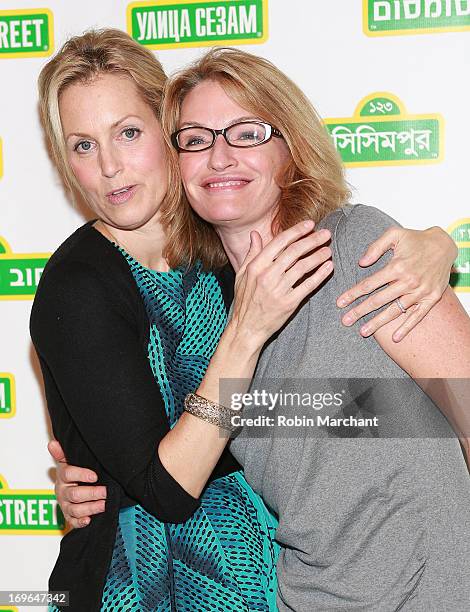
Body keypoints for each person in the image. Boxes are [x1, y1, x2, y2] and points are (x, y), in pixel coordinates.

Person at [38, 33, 460, 612]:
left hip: (281, 583)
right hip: (149, 587)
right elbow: (164, 485)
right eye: (83, 146)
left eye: (129, 133)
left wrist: (440, 244)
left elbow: (369, 412)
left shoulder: (265, 259)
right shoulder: (84, 286)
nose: (110, 166)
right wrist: (100, 482)